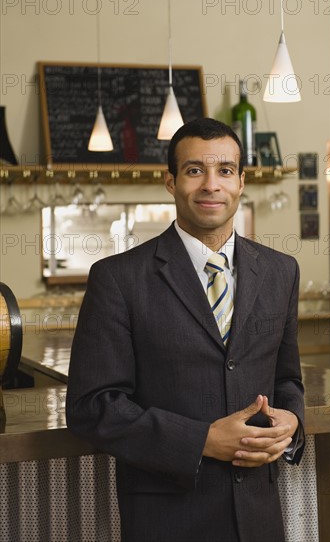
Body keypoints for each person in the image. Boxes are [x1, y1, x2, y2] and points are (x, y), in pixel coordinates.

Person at [66, 117, 305, 542]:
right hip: (168, 518)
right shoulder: (118, 278)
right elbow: (92, 406)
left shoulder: (281, 271)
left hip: (259, 517)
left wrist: (293, 424)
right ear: (171, 183)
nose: (211, 185)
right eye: (195, 170)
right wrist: (201, 441)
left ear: (241, 182)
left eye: (225, 171)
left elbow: (287, 380)